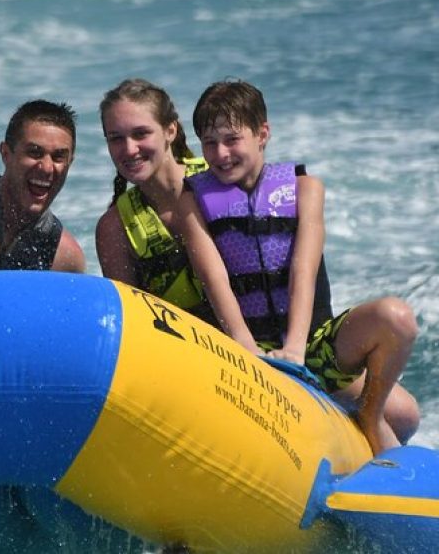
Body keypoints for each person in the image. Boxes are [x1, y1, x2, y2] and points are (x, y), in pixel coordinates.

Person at [179, 78, 419, 455]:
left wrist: (295, 350)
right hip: (244, 348)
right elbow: (215, 279)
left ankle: (369, 419)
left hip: (309, 342)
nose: (220, 153)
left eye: (232, 139)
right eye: (210, 143)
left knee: (397, 322)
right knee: (403, 415)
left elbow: (302, 273)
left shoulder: (305, 188)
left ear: (262, 134)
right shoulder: (192, 199)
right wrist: (247, 349)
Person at [95, 79, 215, 324]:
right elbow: (133, 322)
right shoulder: (114, 228)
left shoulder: (218, 182)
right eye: (116, 138)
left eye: (141, 133)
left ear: (170, 130)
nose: (129, 149)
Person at [0, 99, 85, 272]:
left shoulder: (63, 257)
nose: (47, 168)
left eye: (58, 157)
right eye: (35, 152)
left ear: (70, 163)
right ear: (6, 154)